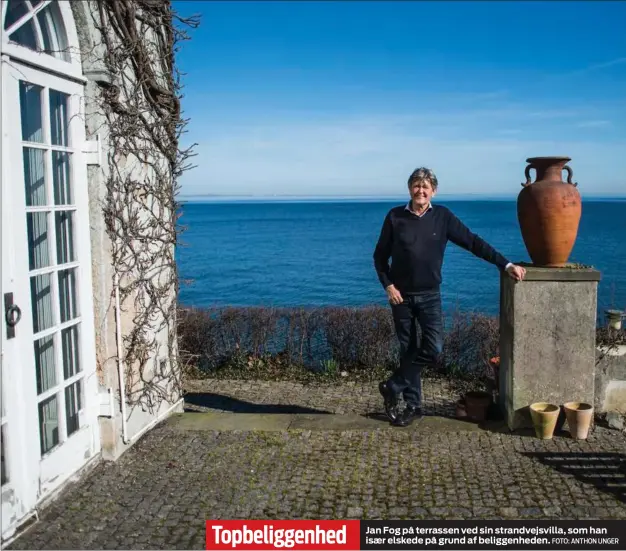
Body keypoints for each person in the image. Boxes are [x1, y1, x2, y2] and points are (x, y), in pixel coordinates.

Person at [373, 167, 526, 427]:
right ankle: (413, 406)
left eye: (426, 186)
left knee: (433, 349)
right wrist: (388, 285)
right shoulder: (395, 217)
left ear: (434, 190)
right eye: (416, 185)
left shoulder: (442, 217)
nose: (421, 191)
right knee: (408, 351)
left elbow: (473, 242)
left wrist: (506, 264)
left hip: (429, 296)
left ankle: (393, 385)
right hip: (401, 297)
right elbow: (379, 257)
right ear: (409, 188)